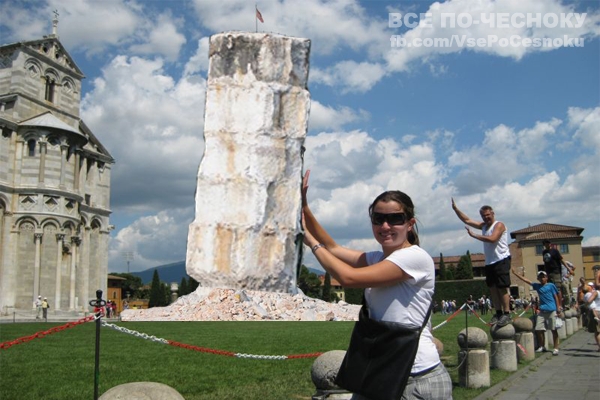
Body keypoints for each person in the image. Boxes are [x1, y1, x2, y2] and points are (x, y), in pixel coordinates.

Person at [302, 170, 452, 400]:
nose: (385, 225)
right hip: (384, 372)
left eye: (395, 219)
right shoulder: (377, 258)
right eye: (378, 219)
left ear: (410, 223)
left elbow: (348, 278)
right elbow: (332, 248)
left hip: (416, 378)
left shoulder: (415, 258)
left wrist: (310, 242)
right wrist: (304, 207)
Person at [451, 199, 512, 327]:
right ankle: (499, 313)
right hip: (490, 262)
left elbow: (492, 239)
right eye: (483, 216)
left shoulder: (499, 225)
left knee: (502, 288)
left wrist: (474, 235)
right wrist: (456, 210)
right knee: (493, 288)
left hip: (501, 259)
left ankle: (507, 313)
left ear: (493, 214)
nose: (486, 218)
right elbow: (467, 220)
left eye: (488, 215)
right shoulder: (483, 226)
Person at [511, 269, 561, 355]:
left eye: (543, 277)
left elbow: (556, 296)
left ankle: (556, 348)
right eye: (540, 277)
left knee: (553, 329)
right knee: (538, 329)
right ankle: (542, 346)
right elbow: (526, 280)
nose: (542, 278)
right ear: (538, 278)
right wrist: (516, 274)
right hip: (542, 310)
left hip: (552, 310)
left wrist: (558, 307)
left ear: (546, 277)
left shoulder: (551, 285)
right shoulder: (537, 286)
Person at [541, 239, 569, 309]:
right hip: (548, 272)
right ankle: (554, 304)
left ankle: (560, 305)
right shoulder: (544, 252)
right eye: (545, 244)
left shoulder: (555, 251)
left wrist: (568, 268)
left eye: (547, 243)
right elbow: (545, 262)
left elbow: (561, 260)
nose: (546, 245)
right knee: (550, 289)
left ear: (550, 244)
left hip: (556, 271)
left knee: (557, 288)